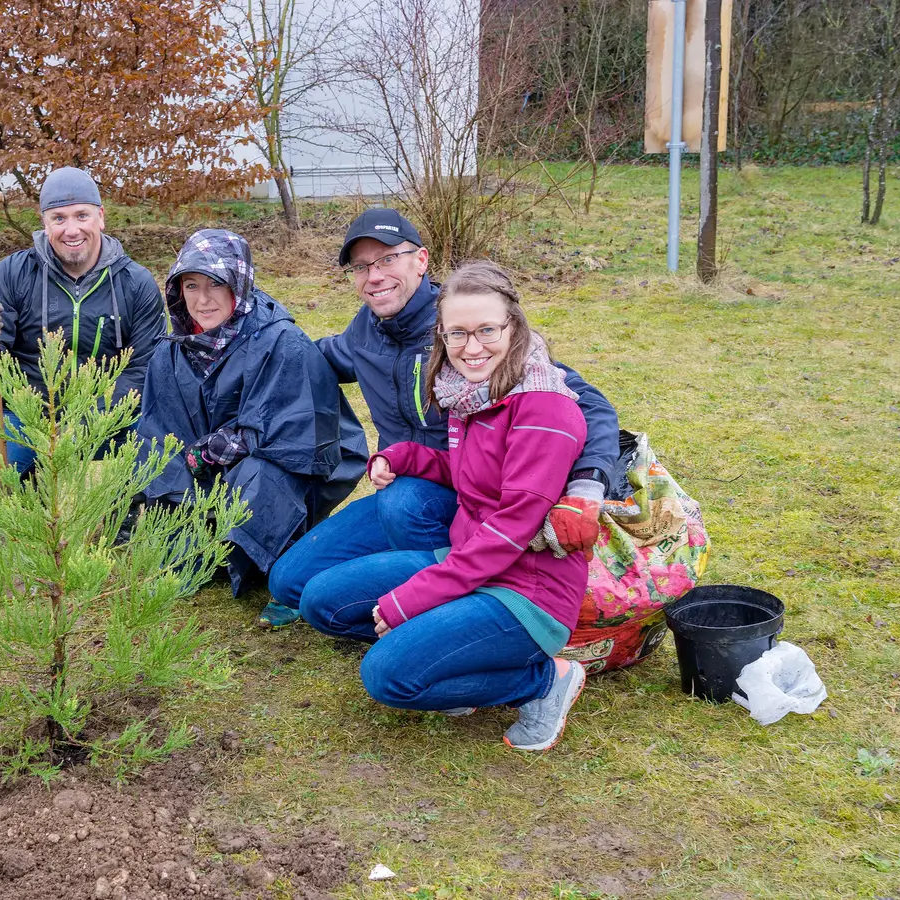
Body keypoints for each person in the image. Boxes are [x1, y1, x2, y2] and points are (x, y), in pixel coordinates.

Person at [265, 209, 621, 623]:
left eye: (387, 259)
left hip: (480, 499)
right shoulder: (363, 332)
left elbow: (586, 404)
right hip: (406, 486)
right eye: (361, 267)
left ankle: (465, 601)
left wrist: (588, 485)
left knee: (403, 503)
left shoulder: (464, 326)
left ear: (421, 260)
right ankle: (401, 585)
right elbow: (314, 358)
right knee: (288, 582)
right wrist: (254, 340)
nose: (374, 276)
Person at [293, 262, 591, 751]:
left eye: (486, 331)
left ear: (514, 327)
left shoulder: (543, 408)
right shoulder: (474, 396)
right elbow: (471, 473)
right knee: (322, 600)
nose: (472, 348)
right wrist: (404, 455)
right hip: (468, 562)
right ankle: (454, 656)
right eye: (457, 334)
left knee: (388, 677)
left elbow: (510, 529)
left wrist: (413, 599)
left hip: (526, 591)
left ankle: (543, 682)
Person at [134, 229, 368, 611]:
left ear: (239, 284)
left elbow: (300, 432)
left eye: (216, 284)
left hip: (291, 466)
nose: (203, 299)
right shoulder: (171, 352)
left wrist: (220, 447)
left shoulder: (281, 341)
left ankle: (285, 562)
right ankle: (205, 548)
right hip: (207, 469)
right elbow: (158, 431)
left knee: (259, 473)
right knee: (161, 460)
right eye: (191, 286)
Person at [0, 167, 165, 484]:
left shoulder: (135, 283)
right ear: (45, 223)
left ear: (100, 217)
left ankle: (128, 513)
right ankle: (23, 499)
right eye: (59, 218)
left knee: (163, 443)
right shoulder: (11, 275)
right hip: (22, 415)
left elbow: (144, 369)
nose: (71, 230)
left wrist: (85, 420)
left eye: (81, 216)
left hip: (108, 414)